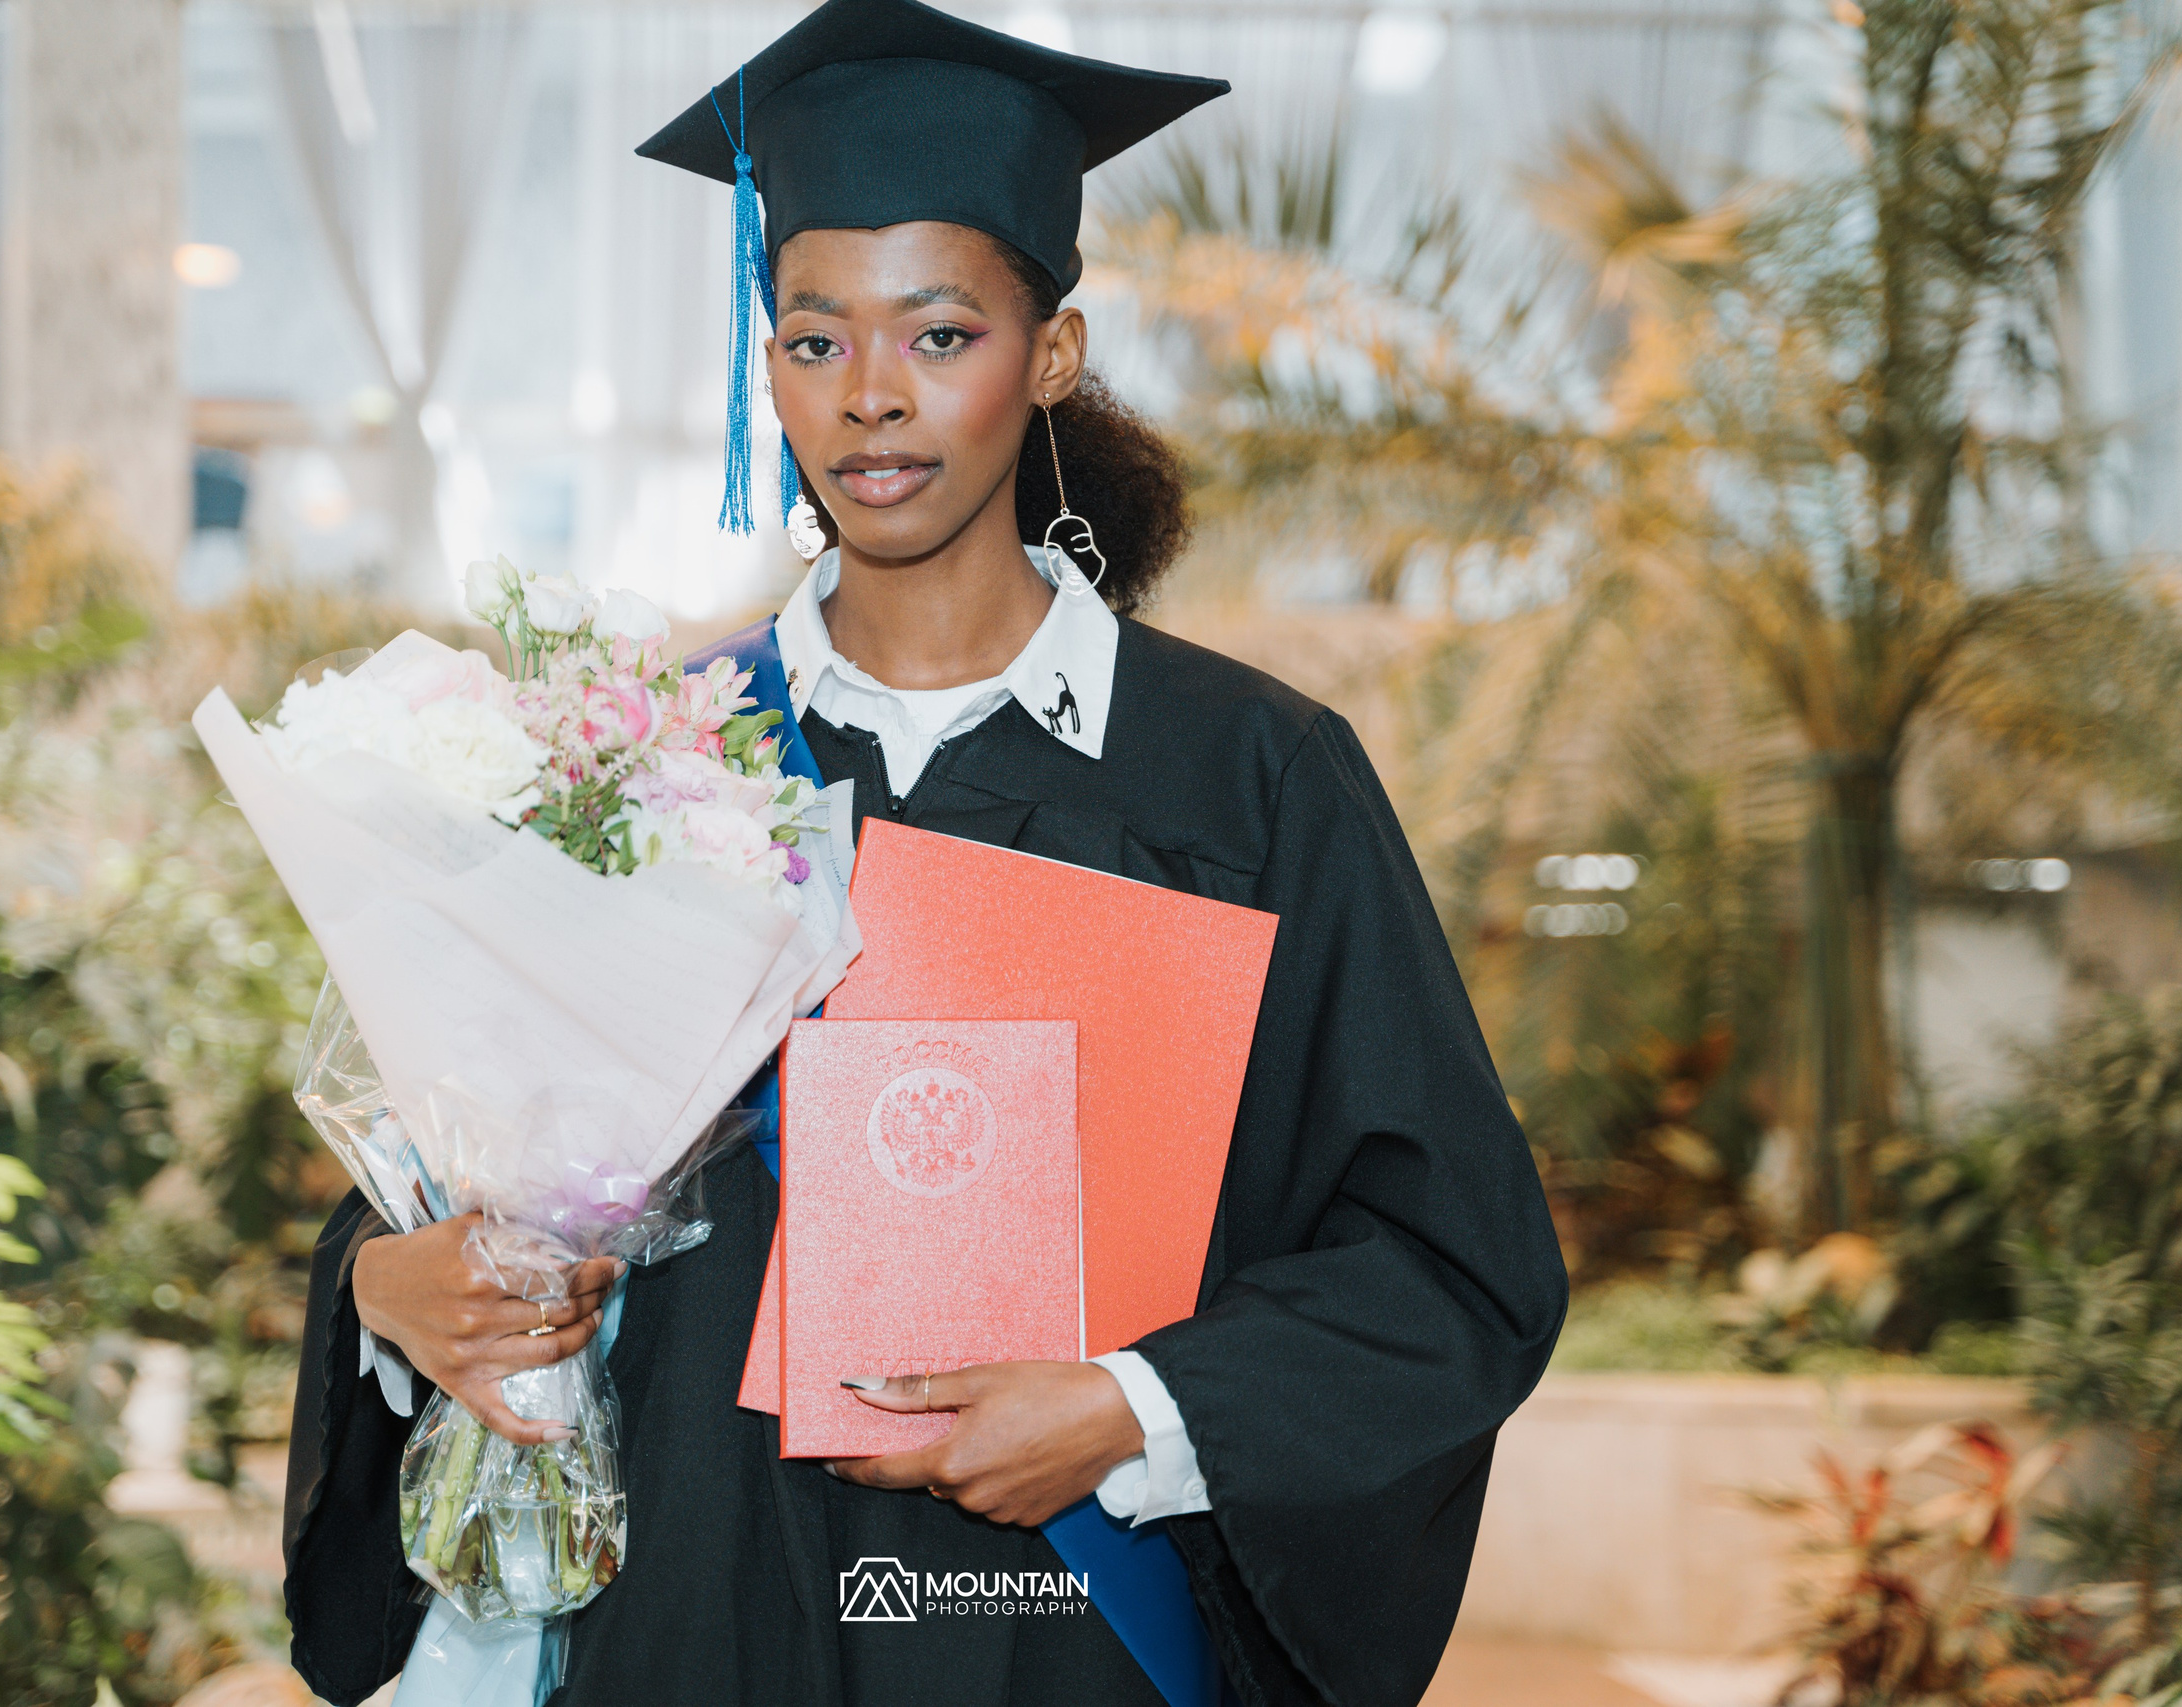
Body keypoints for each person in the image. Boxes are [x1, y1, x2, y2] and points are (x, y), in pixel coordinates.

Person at [279, 3, 1568, 1704]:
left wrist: (1132, 1410)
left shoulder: (1245, 778)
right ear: (766, 367)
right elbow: (461, 1173)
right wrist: (392, 1292)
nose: (872, 396)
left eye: (941, 333)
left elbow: (1449, 1261)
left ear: (1053, 353)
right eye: (815, 339)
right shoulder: (644, 751)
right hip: (689, 1611)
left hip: (1059, 1630)